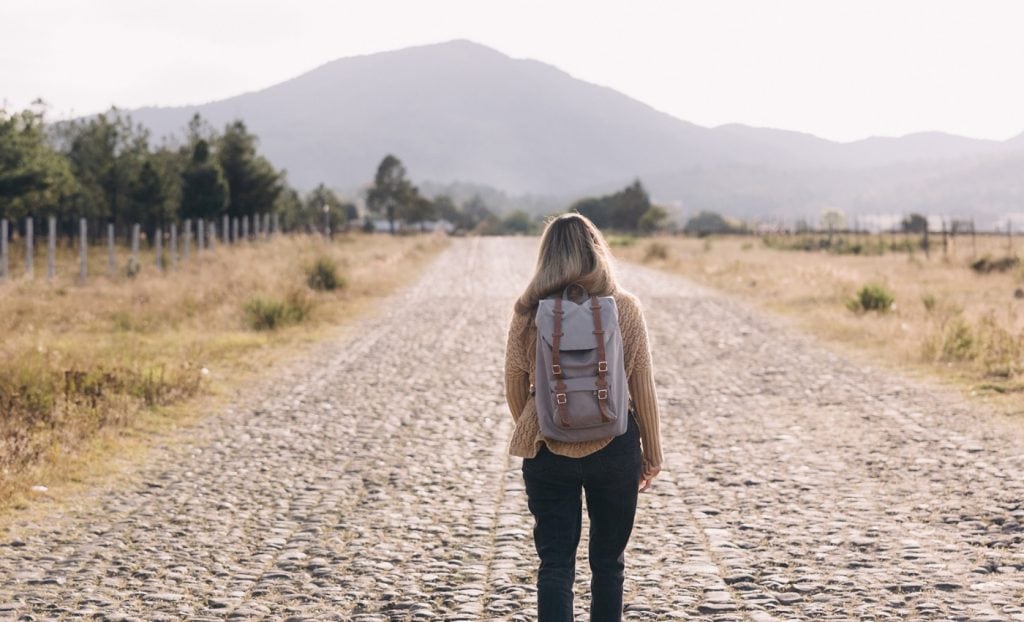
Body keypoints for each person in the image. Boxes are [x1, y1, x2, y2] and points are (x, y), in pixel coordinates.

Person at [504, 212, 663, 621]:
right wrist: (652, 453)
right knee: (608, 566)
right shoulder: (624, 308)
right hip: (614, 449)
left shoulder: (528, 311)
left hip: (548, 453)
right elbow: (641, 383)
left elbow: (515, 384)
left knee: (555, 566)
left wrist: (544, 421)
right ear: (596, 251)